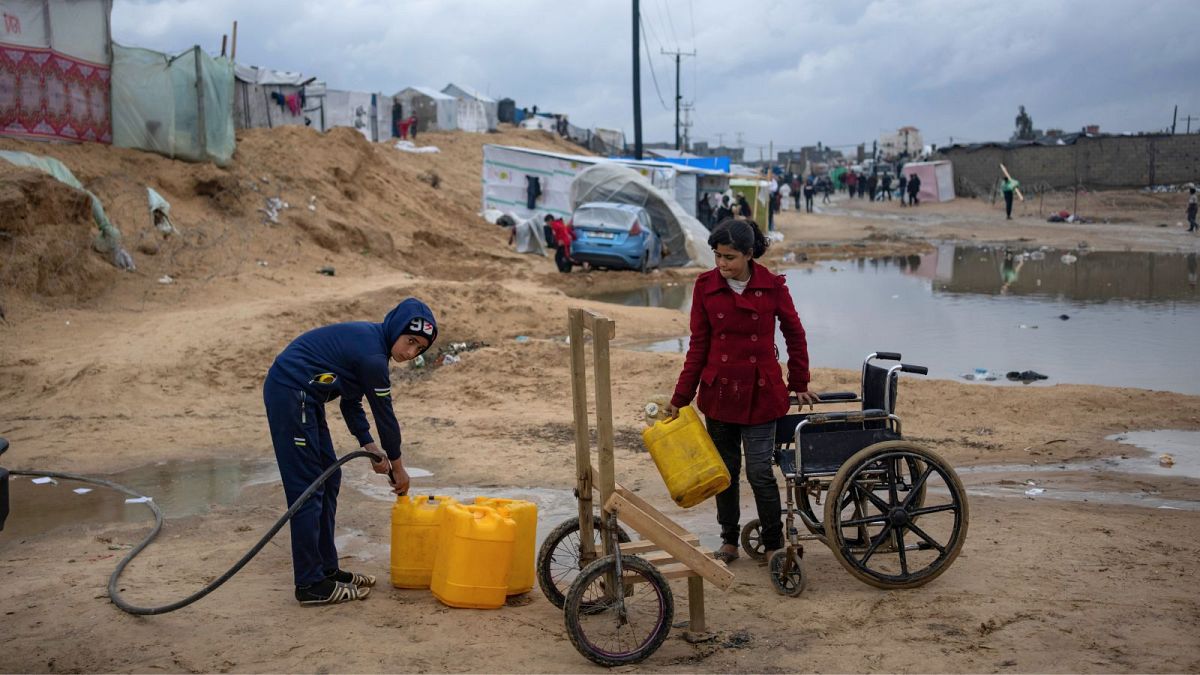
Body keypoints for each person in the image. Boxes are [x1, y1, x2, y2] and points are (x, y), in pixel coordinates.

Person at [664, 218, 819, 565]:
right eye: (717, 256)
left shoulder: (773, 286)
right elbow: (698, 347)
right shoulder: (705, 286)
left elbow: (795, 334)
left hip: (762, 394)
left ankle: (772, 540)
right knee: (725, 472)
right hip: (719, 394)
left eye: (730, 257)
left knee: (760, 471)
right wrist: (679, 399)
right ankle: (729, 540)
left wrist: (799, 383)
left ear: (749, 254)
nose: (722, 264)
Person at [263, 298, 436, 605]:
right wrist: (399, 466)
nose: (411, 353)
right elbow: (385, 416)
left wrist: (369, 446)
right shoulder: (372, 355)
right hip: (290, 392)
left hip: (306, 398)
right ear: (396, 329)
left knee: (329, 479)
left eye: (419, 349)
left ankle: (326, 570)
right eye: (410, 342)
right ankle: (310, 584)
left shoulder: (373, 347)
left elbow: (350, 401)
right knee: (308, 489)